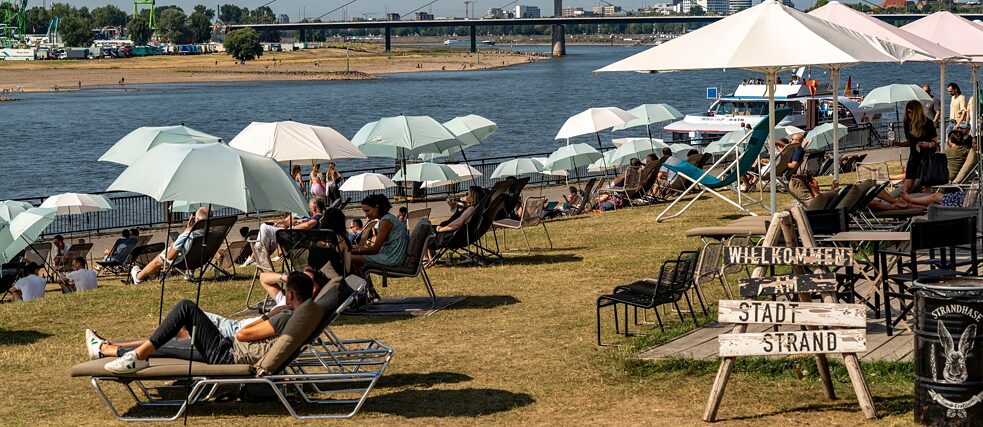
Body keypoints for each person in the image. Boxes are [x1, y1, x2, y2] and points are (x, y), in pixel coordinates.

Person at [91, 272, 314, 374]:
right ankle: (106, 351)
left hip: (228, 354)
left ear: (291, 295)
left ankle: (136, 357)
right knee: (167, 347)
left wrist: (268, 315)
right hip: (228, 351)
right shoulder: (299, 315)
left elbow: (242, 335)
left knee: (186, 307)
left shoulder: (285, 316)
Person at [130, 207, 209, 284]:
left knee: (160, 257)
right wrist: (189, 226)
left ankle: (138, 277)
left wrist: (173, 246)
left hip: (183, 261)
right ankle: (190, 273)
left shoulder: (187, 234)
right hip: (199, 259)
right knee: (189, 249)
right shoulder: (211, 234)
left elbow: (170, 257)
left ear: (197, 220)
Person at [351, 195, 408, 300]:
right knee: (353, 258)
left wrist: (356, 249)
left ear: (376, 207)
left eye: (368, 211)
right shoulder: (389, 218)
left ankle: (364, 293)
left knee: (349, 258)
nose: (366, 215)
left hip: (391, 258)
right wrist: (357, 249)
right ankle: (369, 292)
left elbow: (374, 249)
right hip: (392, 255)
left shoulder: (386, 221)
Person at [242, 198, 325, 266]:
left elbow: (307, 225)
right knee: (267, 227)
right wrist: (277, 221)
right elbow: (297, 221)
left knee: (264, 227)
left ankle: (257, 254)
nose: (308, 206)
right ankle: (260, 256)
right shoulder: (314, 217)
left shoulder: (317, 217)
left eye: (309, 205)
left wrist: (292, 228)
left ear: (313, 207)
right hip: (294, 236)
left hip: (292, 238)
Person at [895, 99, 939, 194]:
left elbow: (935, 142)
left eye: (910, 112)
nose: (908, 115)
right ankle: (905, 201)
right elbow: (910, 142)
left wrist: (928, 144)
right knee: (908, 185)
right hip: (914, 157)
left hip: (927, 157)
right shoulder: (908, 124)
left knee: (926, 184)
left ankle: (926, 204)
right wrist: (898, 144)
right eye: (907, 112)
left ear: (916, 112)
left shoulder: (928, 123)